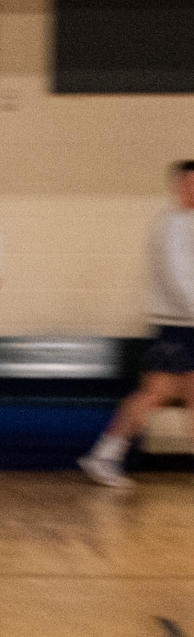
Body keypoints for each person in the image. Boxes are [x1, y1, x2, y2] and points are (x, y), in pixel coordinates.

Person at [80, 160, 194, 489]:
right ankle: (105, 454)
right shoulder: (171, 223)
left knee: (172, 392)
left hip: (182, 323)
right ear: (178, 185)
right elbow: (177, 279)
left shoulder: (185, 222)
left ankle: (105, 454)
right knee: (153, 393)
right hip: (178, 325)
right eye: (188, 183)